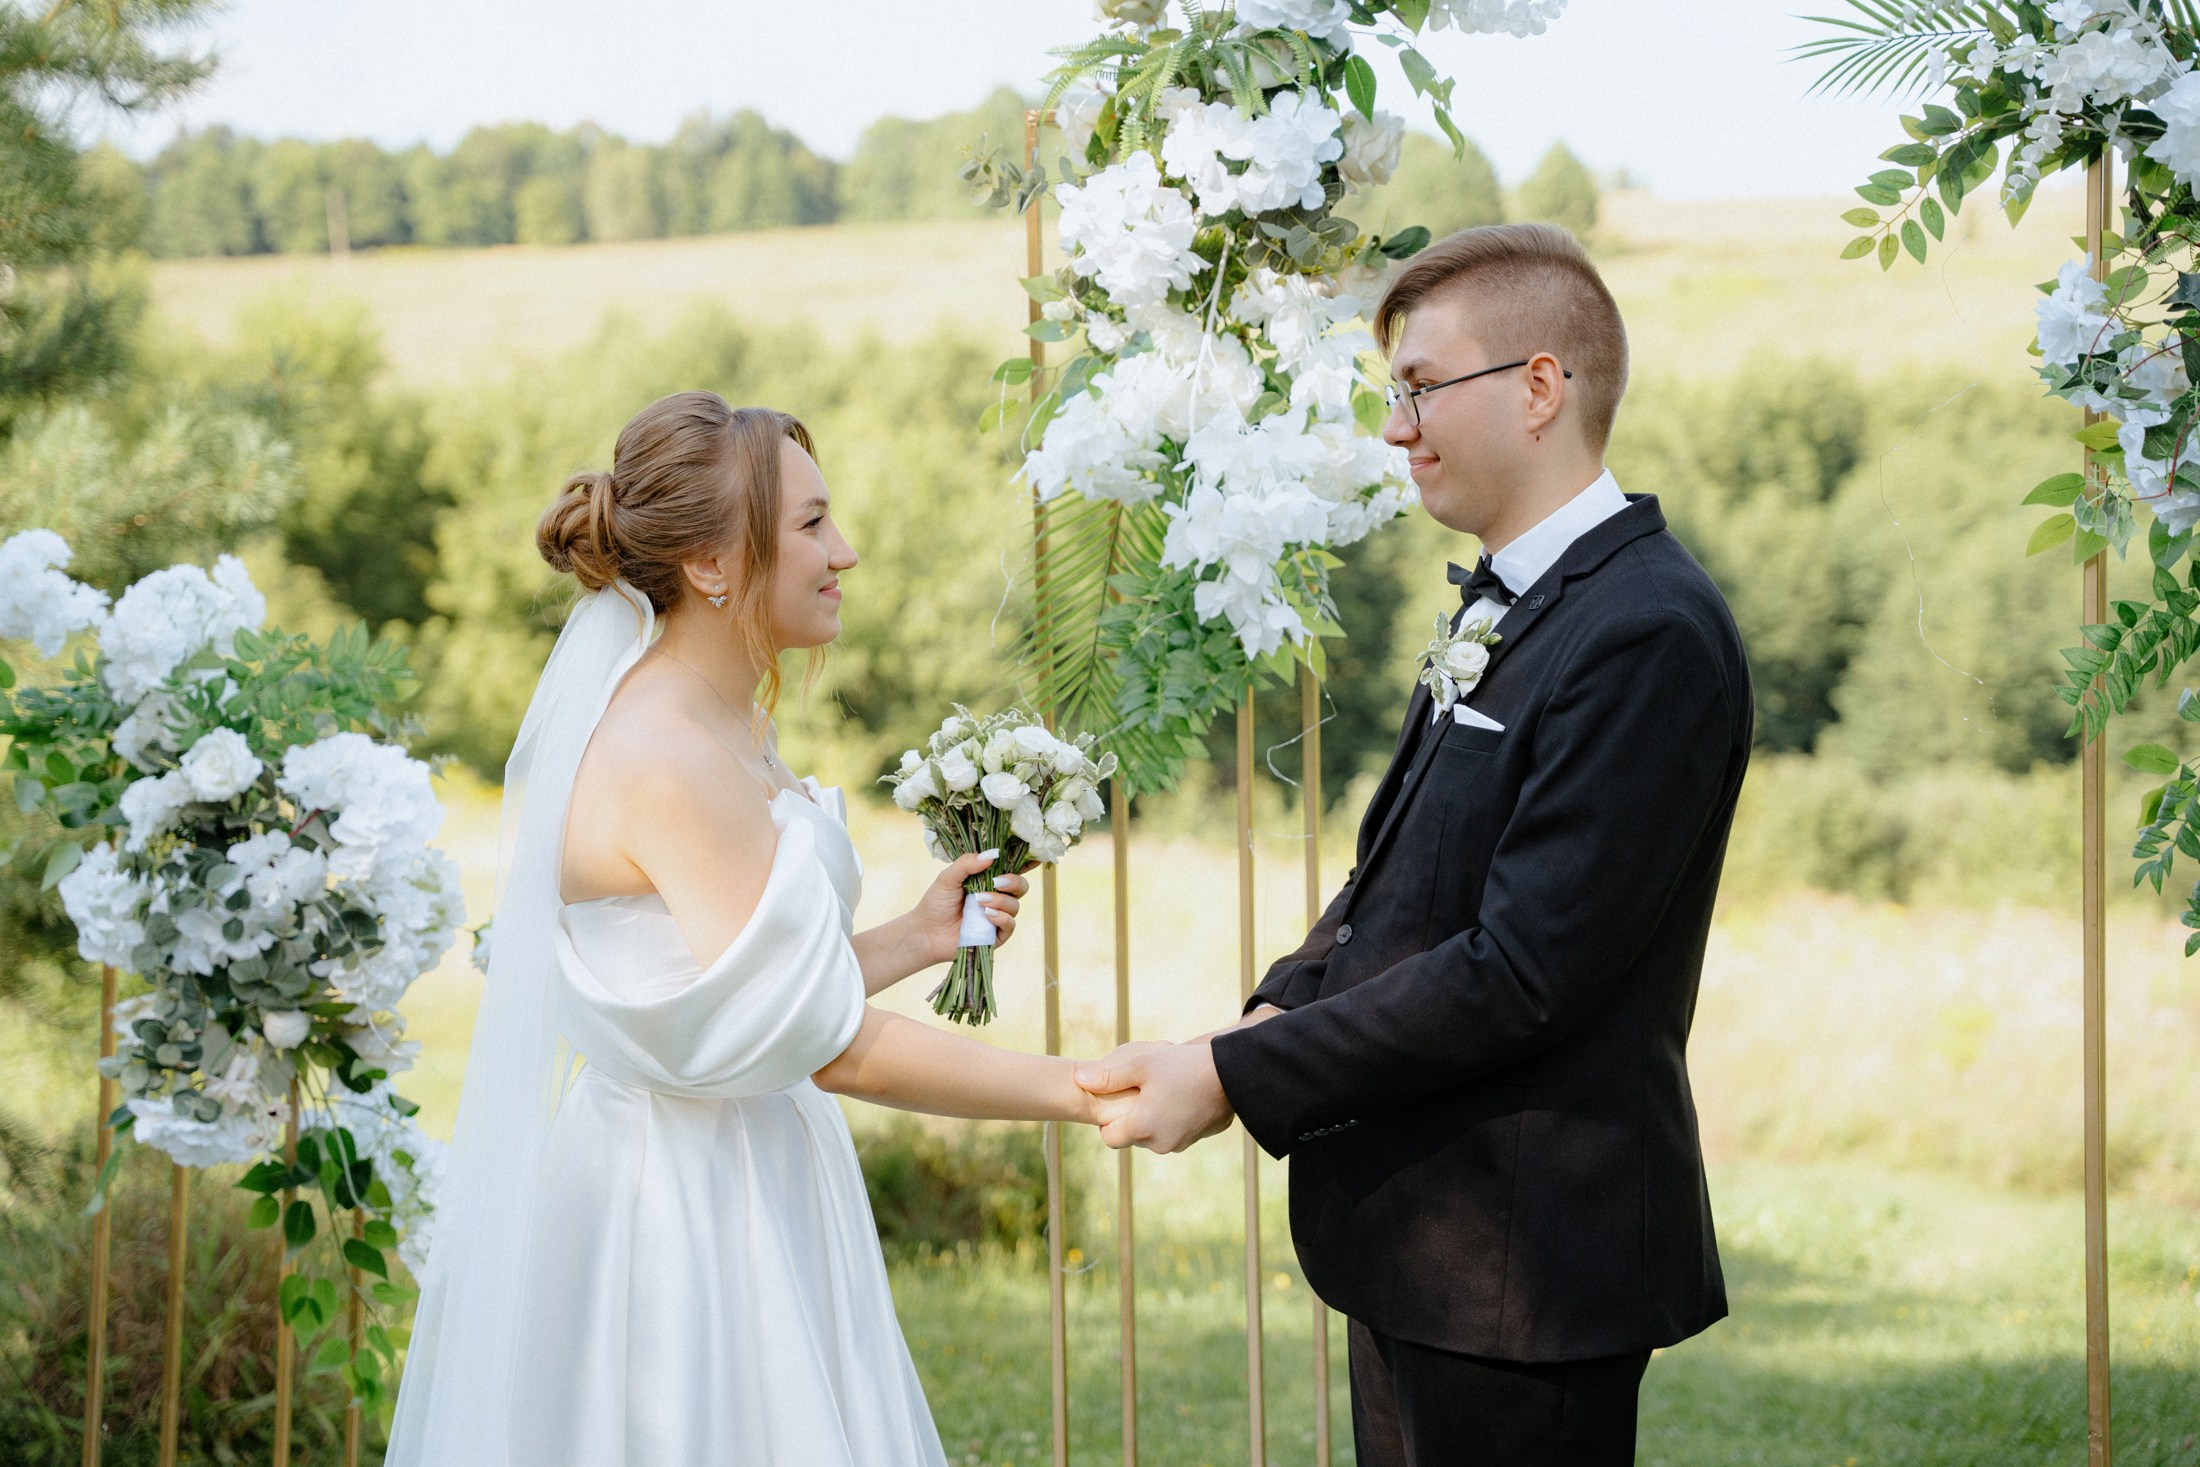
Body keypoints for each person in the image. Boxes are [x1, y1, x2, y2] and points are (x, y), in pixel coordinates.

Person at [1075, 224, 1752, 1466]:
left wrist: (1232, 1082)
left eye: (1423, 387)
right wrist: (1262, 1022)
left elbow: (1521, 970)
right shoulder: (1512, 598)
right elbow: (1400, 881)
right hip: (1427, 1244)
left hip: (1523, 1270)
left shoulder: (1644, 632)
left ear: (1540, 386)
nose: (1397, 428)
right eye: (1397, 394)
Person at [387, 392, 1126, 1467]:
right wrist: (1082, 1090)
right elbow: (834, 1049)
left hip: (749, 1163)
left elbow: (738, 992)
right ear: (712, 564)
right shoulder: (665, 756)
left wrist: (915, 937)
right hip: (680, 1207)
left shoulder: (724, 717)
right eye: (814, 525)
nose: (848, 552)